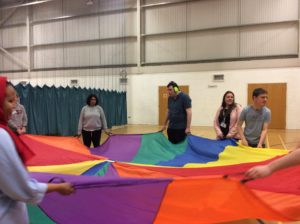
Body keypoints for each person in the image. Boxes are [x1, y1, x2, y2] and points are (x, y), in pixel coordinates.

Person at [0, 77, 74, 224]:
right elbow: (23, 188)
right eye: (9, 101)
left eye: (15, 100)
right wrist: (58, 187)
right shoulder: (2, 137)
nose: (14, 107)